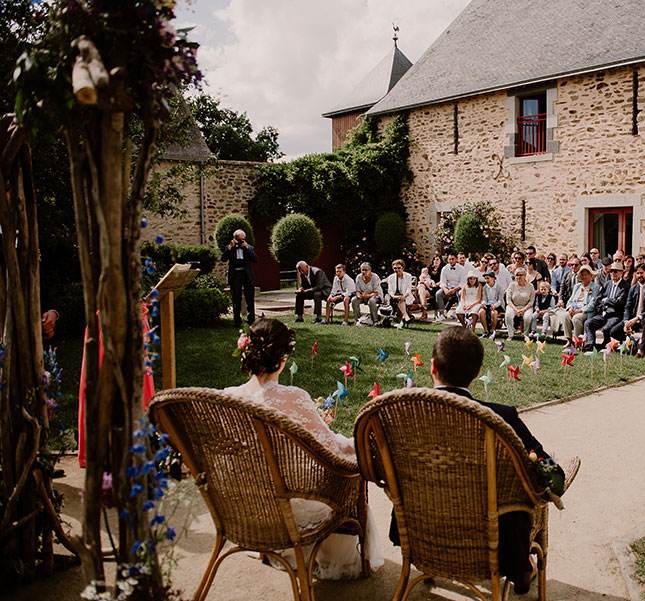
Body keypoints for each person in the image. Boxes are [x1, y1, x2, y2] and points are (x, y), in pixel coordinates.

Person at [384, 326, 568, 594]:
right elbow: (551, 472)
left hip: (420, 528)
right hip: (490, 540)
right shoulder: (501, 416)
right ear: (478, 372)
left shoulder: (398, 414)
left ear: (432, 366)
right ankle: (522, 568)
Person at [224, 318, 384, 579]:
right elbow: (330, 448)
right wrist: (359, 448)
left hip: (248, 505)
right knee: (350, 474)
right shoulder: (293, 397)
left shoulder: (228, 397)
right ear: (284, 357)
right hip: (289, 506)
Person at [609, 262, 645, 358]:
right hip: (633, 319)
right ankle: (633, 344)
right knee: (614, 331)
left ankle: (642, 349)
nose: (639, 275)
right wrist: (626, 322)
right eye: (637, 273)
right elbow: (628, 307)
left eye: (642, 273)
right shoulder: (633, 289)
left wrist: (637, 318)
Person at [583, 261, 629, 351]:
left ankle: (605, 344)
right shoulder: (607, 284)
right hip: (604, 313)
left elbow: (619, 303)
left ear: (621, 272)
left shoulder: (625, 286)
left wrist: (607, 300)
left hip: (616, 315)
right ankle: (589, 345)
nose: (612, 273)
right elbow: (598, 299)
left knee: (607, 327)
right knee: (588, 323)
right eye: (611, 271)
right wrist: (607, 302)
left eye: (615, 271)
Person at [220, 228, 259, 327]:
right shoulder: (230, 247)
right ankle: (237, 320)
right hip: (235, 274)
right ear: (234, 239)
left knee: (249, 297)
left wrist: (246, 248)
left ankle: (251, 320)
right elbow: (223, 259)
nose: (241, 241)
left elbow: (255, 259)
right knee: (236, 298)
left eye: (243, 239)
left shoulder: (248, 247)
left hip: (246, 274)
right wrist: (229, 248)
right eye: (239, 239)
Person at [554, 265, 598, 348]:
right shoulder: (577, 286)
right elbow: (570, 300)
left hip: (586, 311)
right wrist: (570, 308)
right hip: (574, 309)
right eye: (583, 275)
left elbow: (592, 304)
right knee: (565, 316)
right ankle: (569, 340)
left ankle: (578, 342)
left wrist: (579, 311)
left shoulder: (594, 287)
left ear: (591, 276)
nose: (584, 277)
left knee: (576, 318)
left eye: (586, 274)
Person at [505, 268, 536, 339]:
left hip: (526, 306)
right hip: (513, 306)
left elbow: (531, 301)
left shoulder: (530, 286)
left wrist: (524, 310)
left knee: (528, 317)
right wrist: (516, 310)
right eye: (516, 275)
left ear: (525, 276)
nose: (518, 277)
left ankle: (526, 335)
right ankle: (510, 335)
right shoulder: (512, 285)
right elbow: (508, 300)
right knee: (508, 315)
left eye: (520, 275)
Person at [384, 259, 415, 324]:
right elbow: (390, 290)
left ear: (403, 268)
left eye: (399, 268)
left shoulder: (408, 276)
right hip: (393, 297)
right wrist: (394, 296)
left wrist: (404, 296)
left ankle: (400, 322)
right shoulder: (391, 277)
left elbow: (409, 289)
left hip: (405, 296)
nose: (397, 270)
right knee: (399, 300)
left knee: (401, 300)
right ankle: (405, 317)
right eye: (395, 268)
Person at [436, 253, 464, 321]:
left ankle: (460, 314)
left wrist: (454, 290)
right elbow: (442, 282)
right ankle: (442, 314)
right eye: (449, 259)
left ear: (456, 259)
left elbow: (462, 283)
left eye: (453, 259)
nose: (451, 261)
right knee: (438, 294)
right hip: (448, 288)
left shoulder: (461, 269)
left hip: (458, 288)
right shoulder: (444, 269)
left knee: (461, 293)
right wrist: (445, 289)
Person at [416, 254, 444, 319]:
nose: (435, 261)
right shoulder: (429, 268)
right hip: (427, 287)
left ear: (440, 261)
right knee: (421, 287)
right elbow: (421, 276)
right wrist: (424, 281)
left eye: (437, 259)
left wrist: (434, 284)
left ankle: (424, 311)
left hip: (436, 288)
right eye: (434, 259)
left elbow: (442, 281)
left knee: (421, 291)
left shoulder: (442, 270)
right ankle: (424, 307)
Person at [478, 271, 504, 337]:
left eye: (488, 278)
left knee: (494, 313)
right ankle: (486, 331)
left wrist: (495, 306)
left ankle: (492, 331)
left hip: (498, 304)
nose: (486, 280)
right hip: (488, 304)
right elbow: (484, 299)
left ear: (493, 278)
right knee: (481, 312)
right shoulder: (485, 288)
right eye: (485, 278)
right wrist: (483, 303)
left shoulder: (499, 287)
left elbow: (500, 300)